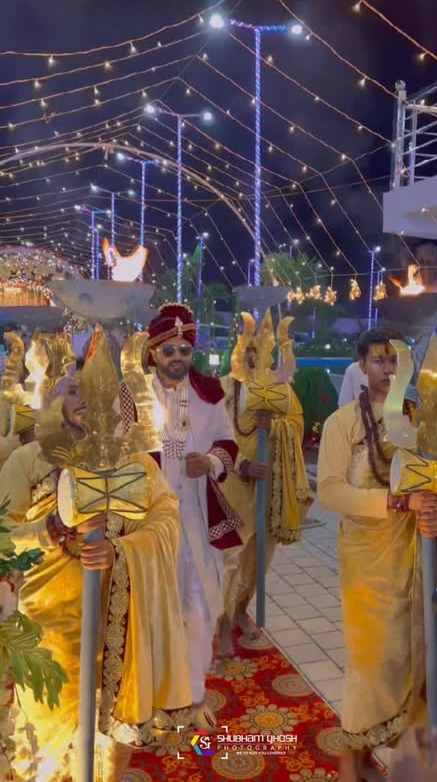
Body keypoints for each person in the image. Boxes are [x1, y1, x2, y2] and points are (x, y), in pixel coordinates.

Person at [0, 367, 191, 780]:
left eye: (99, 390)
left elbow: (167, 519)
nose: (87, 398)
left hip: (119, 623)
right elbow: (1, 535)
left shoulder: (136, 463)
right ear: (56, 399)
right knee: (44, 736)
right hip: (49, 628)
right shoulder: (27, 460)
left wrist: (121, 550)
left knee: (108, 736)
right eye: (74, 390)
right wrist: (48, 530)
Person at [317, 327, 437, 782]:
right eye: (379, 360)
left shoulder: (422, 423)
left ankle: (402, 759)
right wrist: (393, 502)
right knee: (371, 664)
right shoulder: (342, 423)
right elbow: (329, 491)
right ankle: (351, 758)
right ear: (361, 367)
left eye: (394, 361)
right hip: (367, 562)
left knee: (417, 657)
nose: (388, 369)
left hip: (417, 556)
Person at [146, 302, 241, 731]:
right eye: (169, 350)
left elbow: (228, 442)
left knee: (200, 609)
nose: (178, 357)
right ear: (153, 352)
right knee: (153, 609)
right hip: (148, 524)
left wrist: (213, 462)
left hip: (197, 519)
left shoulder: (208, 393)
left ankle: (194, 695)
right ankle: (151, 694)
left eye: (185, 349)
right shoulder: (132, 396)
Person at [217, 328, 311, 656]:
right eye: (249, 350)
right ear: (239, 352)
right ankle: (222, 623)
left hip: (270, 486)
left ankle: (241, 611)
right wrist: (241, 464)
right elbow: (212, 434)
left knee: (260, 558)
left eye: (260, 351)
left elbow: (297, 423)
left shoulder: (280, 389)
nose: (254, 357)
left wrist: (275, 427)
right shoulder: (225, 387)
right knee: (230, 558)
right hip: (232, 485)